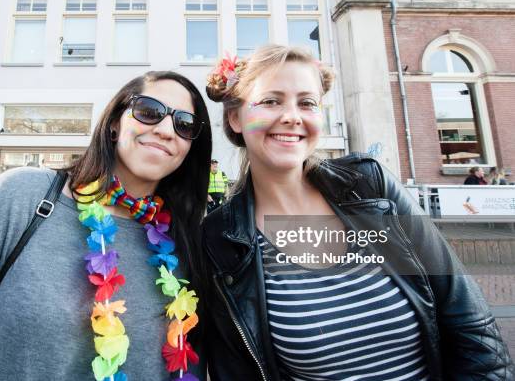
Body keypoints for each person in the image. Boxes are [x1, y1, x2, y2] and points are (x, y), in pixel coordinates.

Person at [200, 45, 514, 380]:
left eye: (307, 103)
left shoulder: (369, 185)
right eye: (271, 101)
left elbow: (471, 326)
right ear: (235, 117)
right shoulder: (221, 237)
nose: (292, 116)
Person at [0, 71, 211, 380]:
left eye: (184, 125)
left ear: (189, 149)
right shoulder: (21, 197)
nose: (166, 130)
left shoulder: (185, 244)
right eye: (149, 111)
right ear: (116, 123)